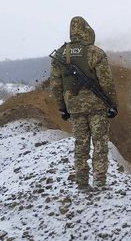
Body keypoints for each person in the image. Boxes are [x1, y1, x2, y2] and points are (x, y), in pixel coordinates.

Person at [50, 16, 118, 190]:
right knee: (100, 144)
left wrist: (62, 108)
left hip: (74, 108)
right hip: (97, 107)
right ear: (87, 31)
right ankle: (100, 181)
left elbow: (56, 85)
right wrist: (113, 104)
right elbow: (107, 82)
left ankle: (81, 182)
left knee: (81, 144)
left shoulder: (60, 54)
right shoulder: (95, 52)